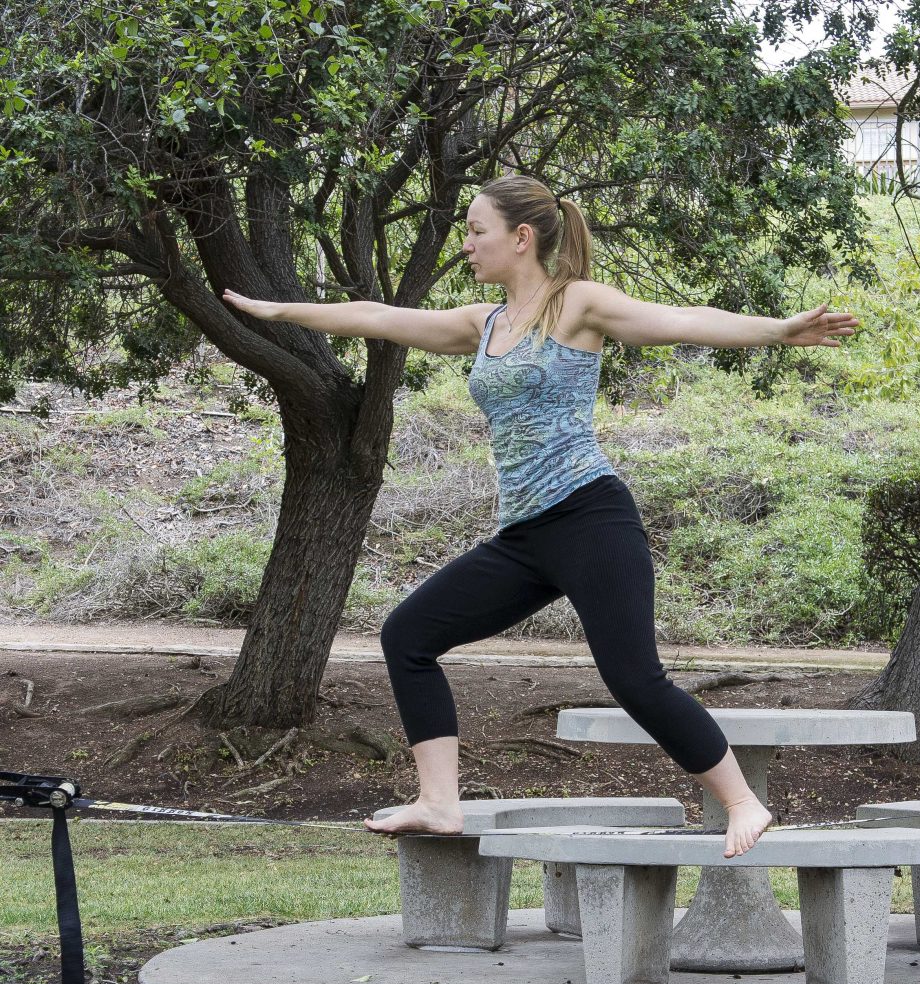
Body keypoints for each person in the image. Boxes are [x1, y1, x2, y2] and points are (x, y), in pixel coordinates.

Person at [223, 175, 859, 857]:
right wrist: (280, 311)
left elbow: (680, 319)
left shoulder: (576, 305)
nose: (466, 244)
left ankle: (742, 801)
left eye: (476, 231)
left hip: (590, 517)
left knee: (634, 678)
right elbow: (376, 316)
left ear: (521, 238)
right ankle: (439, 801)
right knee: (408, 636)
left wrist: (779, 331)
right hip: (524, 536)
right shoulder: (483, 323)